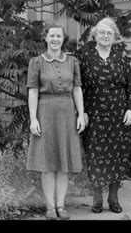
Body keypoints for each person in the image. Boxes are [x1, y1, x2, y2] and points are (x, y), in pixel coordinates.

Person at [26, 22, 87, 220]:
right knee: (47, 163)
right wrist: (33, 118)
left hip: (67, 113)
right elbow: (33, 92)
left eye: (58, 36)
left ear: (63, 39)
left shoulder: (73, 62)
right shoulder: (36, 62)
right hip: (45, 112)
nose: (54, 39)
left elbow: (77, 89)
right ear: (45, 38)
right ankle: (50, 207)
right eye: (51, 36)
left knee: (64, 163)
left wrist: (81, 114)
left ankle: (61, 206)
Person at [75, 17, 131, 214]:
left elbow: (130, 85)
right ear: (94, 34)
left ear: (115, 36)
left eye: (109, 32)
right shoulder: (85, 57)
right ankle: (97, 197)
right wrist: (81, 111)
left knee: (117, 155)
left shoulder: (121, 57)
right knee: (95, 154)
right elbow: (78, 87)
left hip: (118, 114)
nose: (105, 35)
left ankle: (113, 197)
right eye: (102, 32)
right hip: (93, 114)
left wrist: (130, 109)